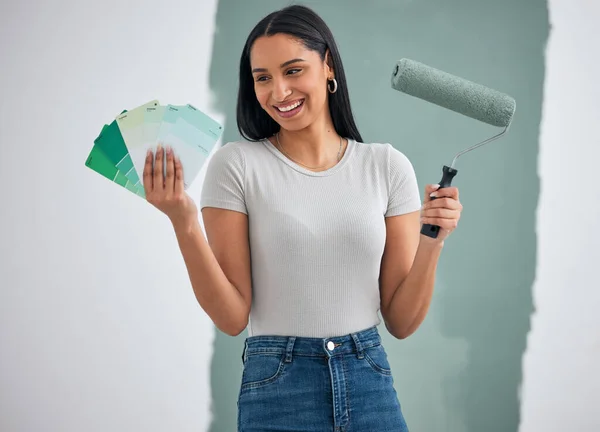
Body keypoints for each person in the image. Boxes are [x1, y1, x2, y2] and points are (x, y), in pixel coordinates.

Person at [142, 4, 462, 432]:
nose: (278, 92)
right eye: (263, 78)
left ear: (327, 65)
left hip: (368, 380)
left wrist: (433, 240)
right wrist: (183, 221)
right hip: (277, 386)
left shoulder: (386, 166)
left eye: (293, 70)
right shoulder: (236, 166)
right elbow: (232, 317)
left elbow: (401, 322)